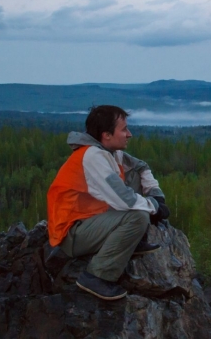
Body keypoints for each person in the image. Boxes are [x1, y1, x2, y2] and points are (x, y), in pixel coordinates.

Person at [47, 105, 169, 300]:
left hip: (92, 221)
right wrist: (154, 207)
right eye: (124, 129)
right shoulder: (93, 157)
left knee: (134, 178)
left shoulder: (112, 152)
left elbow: (141, 167)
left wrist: (157, 196)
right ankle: (97, 277)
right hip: (72, 233)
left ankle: (132, 241)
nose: (129, 134)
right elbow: (125, 200)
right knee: (138, 217)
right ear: (107, 135)